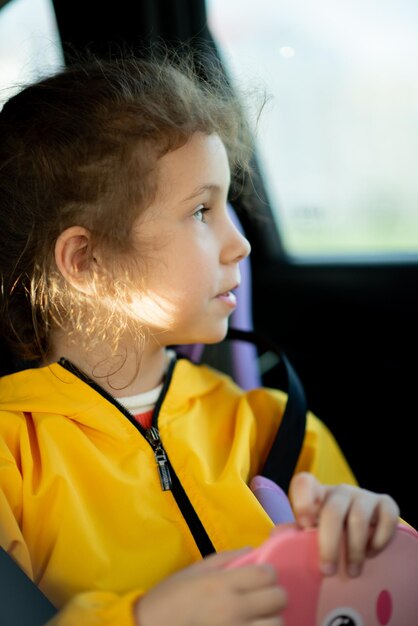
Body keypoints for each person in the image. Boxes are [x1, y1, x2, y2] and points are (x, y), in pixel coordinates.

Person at [0, 53, 401, 626]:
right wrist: (144, 619)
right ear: (87, 261)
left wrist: (374, 537)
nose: (240, 244)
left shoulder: (270, 424)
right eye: (201, 211)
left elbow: (379, 598)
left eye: (227, 206)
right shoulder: (12, 459)